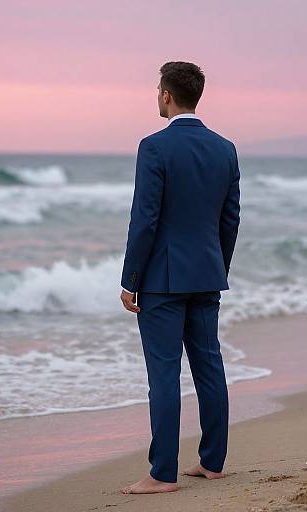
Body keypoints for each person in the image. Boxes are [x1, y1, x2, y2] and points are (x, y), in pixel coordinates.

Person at [119, 61, 240, 494]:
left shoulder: (154, 147)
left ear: (167, 95)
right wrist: (216, 267)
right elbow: (230, 219)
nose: (157, 96)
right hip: (207, 274)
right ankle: (213, 462)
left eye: (158, 90)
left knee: (164, 373)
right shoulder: (225, 148)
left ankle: (162, 474)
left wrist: (130, 277)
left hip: (163, 280)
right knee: (209, 365)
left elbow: (145, 219)